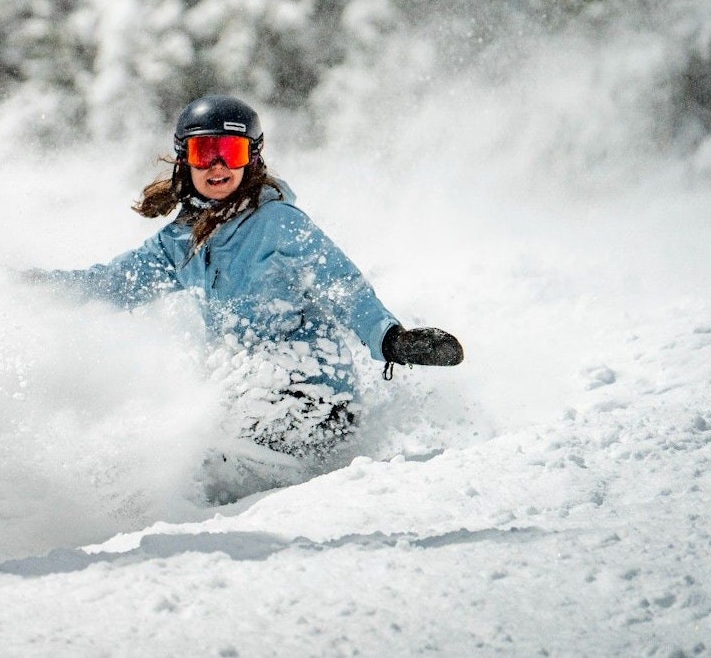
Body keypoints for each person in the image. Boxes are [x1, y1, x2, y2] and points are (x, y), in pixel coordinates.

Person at [25, 95, 462, 462]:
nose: (217, 166)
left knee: (208, 458)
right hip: (252, 400)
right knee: (176, 447)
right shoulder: (178, 243)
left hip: (316, 399)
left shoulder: (278, 222)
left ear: (251, 157)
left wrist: (391, 340)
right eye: (204, 153)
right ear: (184, 160)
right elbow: (115, 283)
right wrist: (36, 288)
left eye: (230, 152)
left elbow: (341, 285)